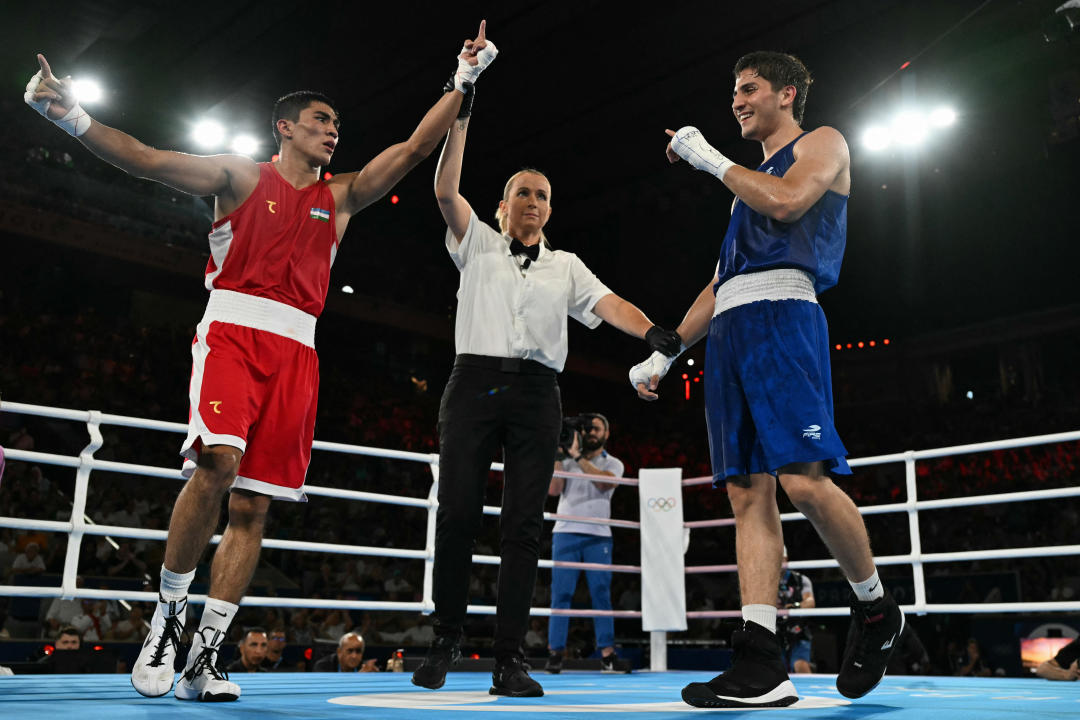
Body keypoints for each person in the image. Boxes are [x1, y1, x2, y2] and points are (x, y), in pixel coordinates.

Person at [23, 20, 498, 703]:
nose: (332, 130)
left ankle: (206, 658)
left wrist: (464, 78)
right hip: (233, 335)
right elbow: (148, 158)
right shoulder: (238, 175)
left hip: (298, 352)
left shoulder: (339, 198)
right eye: (319, 120)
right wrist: (74, 118)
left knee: (253, 506)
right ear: (284, 127)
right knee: (216, 464)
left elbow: (419, 146)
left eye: (336, 122)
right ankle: (167, 621)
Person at [629, 51, 904, 707]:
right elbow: (725, 279)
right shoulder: (743, 186)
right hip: (731, 329)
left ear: (787, 93)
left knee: (803, 482)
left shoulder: (823, 143)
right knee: (746, 494)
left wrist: (710, 162)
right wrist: (669, 349)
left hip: (785, 317)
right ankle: (760, 662)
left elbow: (788, 204)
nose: (736, 100)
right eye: (732, 90)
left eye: (748, 88)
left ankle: (876, 608)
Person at [411, 74, 683, 698]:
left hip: (538, 392)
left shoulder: (565, 265)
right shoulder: (475, 241)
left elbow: (608, 302)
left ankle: (510, 658)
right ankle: (447, 639)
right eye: (522, 194)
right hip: (473, 380)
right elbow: (444, 187)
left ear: (550, 210)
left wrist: (653, 334)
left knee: (524, 525)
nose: (532, 202)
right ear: (503, 206)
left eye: (542, 195)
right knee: (455, 514)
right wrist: (464, 108)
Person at [545, 413, 623, 674]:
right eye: (587, 429)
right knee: (561, 594)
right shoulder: (567, 460)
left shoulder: (614, 463)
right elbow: (553, 490)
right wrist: (558, 455)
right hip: (565, 532)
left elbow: (604, 483)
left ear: (606, 434)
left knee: (601, 593)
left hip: (598, 535)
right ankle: (555, 653)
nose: (591, 432)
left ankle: (608, 654)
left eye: (596, 428)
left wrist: (578, 458)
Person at [776, 546, 814, 674]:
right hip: (774, 632)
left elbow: (810, 602)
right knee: (774, 671)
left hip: (798, 631)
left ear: (785, 558)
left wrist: (795, 606)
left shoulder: (800, 580)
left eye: (779, 558)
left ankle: (810, 692)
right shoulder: (763, 581)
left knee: (800, 666)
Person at [313, 631, 379, 672]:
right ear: (339, 652)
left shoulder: (365, 668)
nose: (354, 656)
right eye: (350, 651)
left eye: (358, 651)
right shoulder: (323, 666)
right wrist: (359, 678)